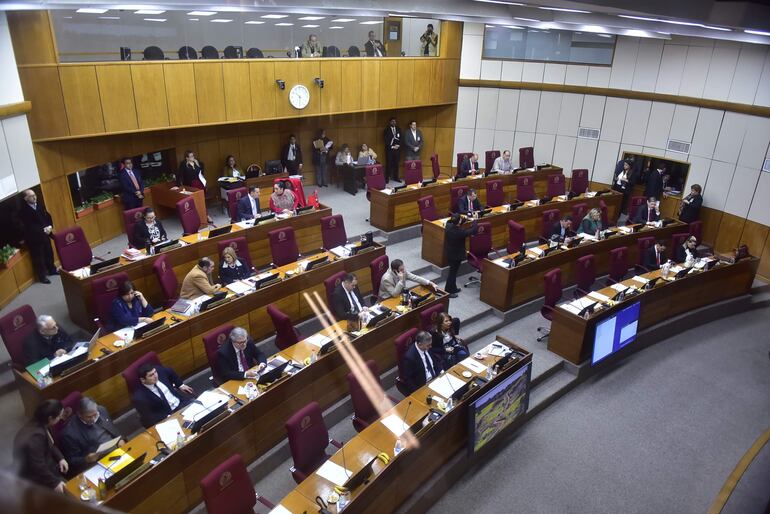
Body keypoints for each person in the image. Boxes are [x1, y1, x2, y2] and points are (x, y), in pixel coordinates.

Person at [59, 397, 124, 475]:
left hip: (117, 449)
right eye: (89, 417)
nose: (93, 419)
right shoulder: (69, 433)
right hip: (97, 461)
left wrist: (121, 439)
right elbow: (71, 460)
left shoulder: (101, 410)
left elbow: (112, 428)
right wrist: (86, 459)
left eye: (95, 415)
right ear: (79, 414)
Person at [13, 399, 67, 492]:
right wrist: (55, 483)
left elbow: (50, 443)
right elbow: (37, 466)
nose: (61, 418)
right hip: (34, 478)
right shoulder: (36, 437)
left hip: (46, 466)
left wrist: (60, 458)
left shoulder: (41, 423)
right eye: (59, 416)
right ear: (50, 418)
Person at [132, 362, 193, 428]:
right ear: (143, 380)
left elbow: (170, 371)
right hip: (166, 416)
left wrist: (180, 385)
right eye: (151, 375)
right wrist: (168, 417)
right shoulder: (139, 397)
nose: (155, 376)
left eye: (155, 372)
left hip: (181, 403)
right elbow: (148, 416)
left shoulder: (160, 371)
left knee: (199, 416)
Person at [18, 189, 57, 284]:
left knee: (49, 253)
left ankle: (52, 270)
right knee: (39, 258)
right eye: (31, 196)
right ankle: (42, 277)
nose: (34, 197)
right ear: (25, 198)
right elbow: (28, 227)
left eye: (34, 195)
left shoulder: (39, 205)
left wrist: (50, 226)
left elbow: (47, 216)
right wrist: (42, 230)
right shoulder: (23, 211)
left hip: (46, 234)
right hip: (35, 238)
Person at [444, 214, 478, 297]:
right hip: (456, 255)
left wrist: (463, 220)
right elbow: (473, 230)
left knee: (453, 272)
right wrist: (475, 220)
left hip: (450, 253)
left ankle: (453, 288)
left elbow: (450, 221)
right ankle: (448, 292)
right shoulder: (460, 232)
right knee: (452, 273)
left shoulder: (448, 226)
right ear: (458, 221)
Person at [384, 117, 402, 182]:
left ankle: (396, 177)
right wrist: (392, 146)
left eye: (395, 121)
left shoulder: (398, 129)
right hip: (390, 150)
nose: (394, 122)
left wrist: (398, 145)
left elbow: (401, 138)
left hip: (397, 150)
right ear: (390, 122)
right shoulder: (386, 130)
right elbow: (385, 140)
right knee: (389, 164)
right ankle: (387, 178)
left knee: (396, 164)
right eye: (392, 121)